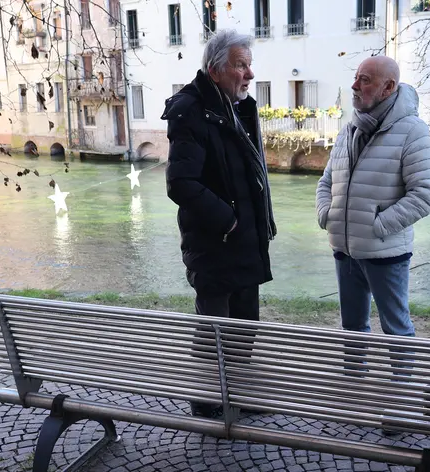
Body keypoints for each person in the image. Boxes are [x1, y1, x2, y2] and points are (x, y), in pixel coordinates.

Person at [162, 29, 276, 418]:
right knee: (214, 331)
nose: (249, 74)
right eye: (241, 66)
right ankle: (208, 402)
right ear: (215, 70)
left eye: (249, 65)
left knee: (245, 327)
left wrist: (247, 226)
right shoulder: (190, 110)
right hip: (213, 244)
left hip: (245, 240)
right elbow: (181, 183)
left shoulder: (239, 107)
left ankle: (237, 394)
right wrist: (228, 221)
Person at [315, 55, 430, 340]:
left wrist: (378, 225)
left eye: (365, 80)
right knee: (352, 328)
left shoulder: (413, 131)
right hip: (344, 250)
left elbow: (426, 193)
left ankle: (402, 372)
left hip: (386, 254)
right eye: (356, 78)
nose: (355, 85)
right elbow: (327, 181)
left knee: (397, 330)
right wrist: (326, 215)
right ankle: (353, 369)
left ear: (388, 87)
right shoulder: (348, 129)